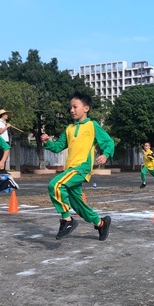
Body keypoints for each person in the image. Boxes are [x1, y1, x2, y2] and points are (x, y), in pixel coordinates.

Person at [41, 91, 114, 241]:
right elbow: (58, 146)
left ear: (86, 108)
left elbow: (108, 142)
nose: (72, 110)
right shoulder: (69, 129)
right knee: (78, 204)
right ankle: (101, 223)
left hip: (82, 167)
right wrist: (48, 142)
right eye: (70, 107)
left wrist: (105, 154)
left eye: (75, 107)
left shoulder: (92, 125)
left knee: (55, 185)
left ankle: (67, 220)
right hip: (70, 169)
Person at [0, 109, 11, 174]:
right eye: (6, 114)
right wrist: (6, 127)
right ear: (2, 115)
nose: (7, 116)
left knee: (5, 155)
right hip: (1, 140)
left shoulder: (3, 122)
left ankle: (3, 169)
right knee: (1, 155)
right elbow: (0, 131)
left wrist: (6, 125)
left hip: (5, 140)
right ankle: (0, 169)